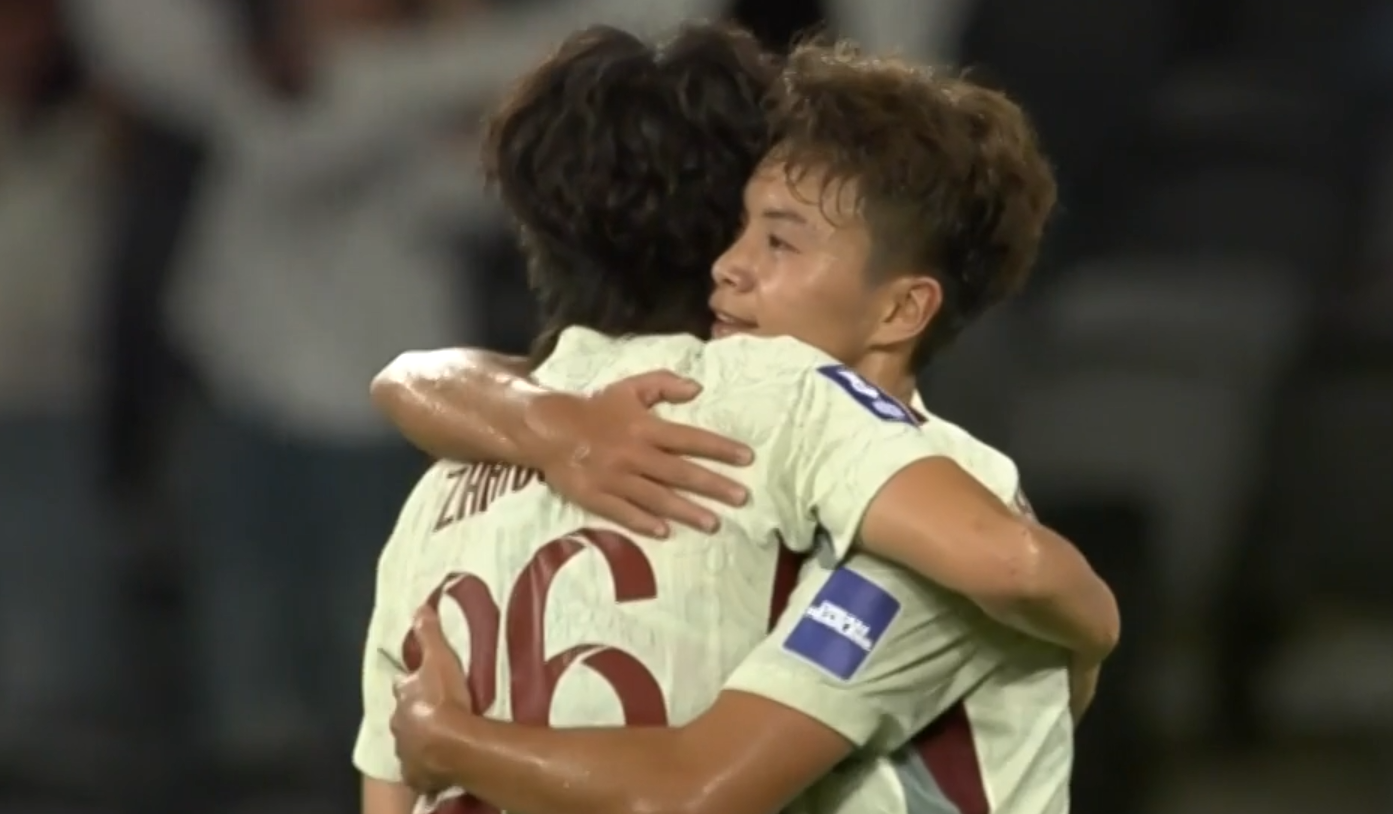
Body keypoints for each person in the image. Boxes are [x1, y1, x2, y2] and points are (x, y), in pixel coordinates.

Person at [359, 26, 1114, 814]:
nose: (729, 265)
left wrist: (447, 742)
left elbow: (691, 790)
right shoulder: (751, 452)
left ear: (901, 309)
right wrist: (545, 423)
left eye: (779, 241)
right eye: (739, 227)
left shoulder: (932, 512)